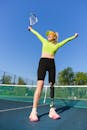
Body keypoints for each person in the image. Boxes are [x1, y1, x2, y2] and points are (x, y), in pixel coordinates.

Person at [28, 26, 78, 122]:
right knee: (40, 85)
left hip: (52, 64)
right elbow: (37, 34)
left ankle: (52, 110)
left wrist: (74, 36)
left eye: (50, 35)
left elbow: (66, 41)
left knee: (52, 86)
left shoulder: (57, 45)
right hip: (43, 62)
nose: (48, 36)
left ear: (54, 37)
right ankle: (33, 111)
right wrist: (31, 29)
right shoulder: (44, 41)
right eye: (48, 35)